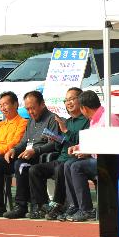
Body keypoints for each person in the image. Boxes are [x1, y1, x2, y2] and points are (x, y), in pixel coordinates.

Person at [29, 87, 89, 220]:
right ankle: (43, 205)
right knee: (34, 170)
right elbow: (59, 145)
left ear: (81, 100)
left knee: (60, 168)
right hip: (61, 158)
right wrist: (55, 139)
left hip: (75, 160)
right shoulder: (67, 121)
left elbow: (82, 141)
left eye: (72, 99)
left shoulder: (86, 121)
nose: (68, 102)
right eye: (66, 100)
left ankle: (59, 204)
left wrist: (66, 131)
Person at [63, 90, 119, 222]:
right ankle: (75, 205)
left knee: (77, 167)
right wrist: (78, 147)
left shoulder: (108, 119)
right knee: (68, 164)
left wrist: (89, 150)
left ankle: (87, 210)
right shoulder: (94, 120)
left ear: (84, 108)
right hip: (96, 159)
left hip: (110, 161)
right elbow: (91, 142)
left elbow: (114, 145)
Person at [3, 90, 59, 219]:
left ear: (42, 104)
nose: (30, 112)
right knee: (6, 163)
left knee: (21, 165)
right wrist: (14, 150)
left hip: (42, 156)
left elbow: (54, 144)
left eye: (33, 108)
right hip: (28, 154)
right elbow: (24, 142)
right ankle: (16, 205)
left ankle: (25, 205)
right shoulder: (30, 121)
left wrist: (36, 151)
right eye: (27, 109)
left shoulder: (52, 119)